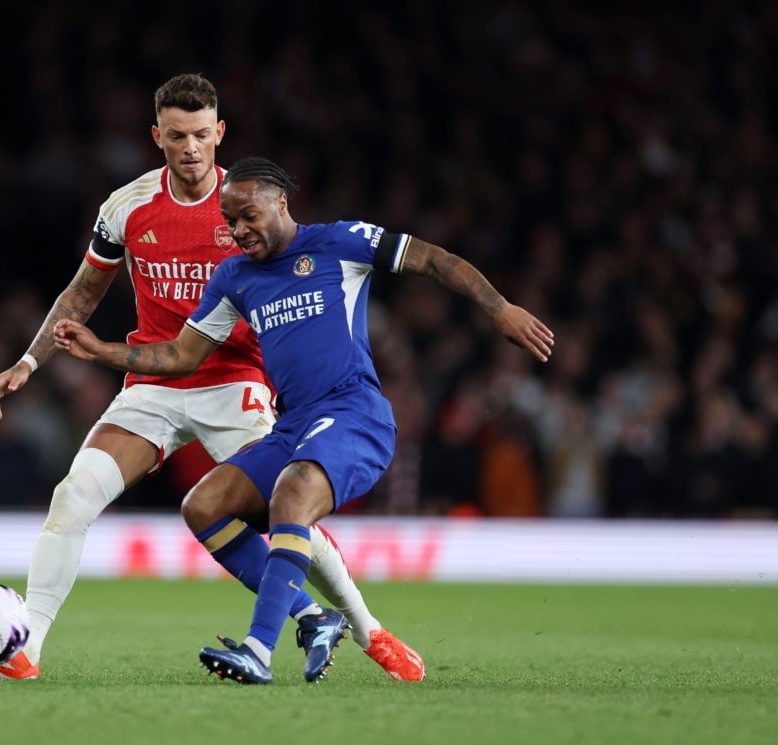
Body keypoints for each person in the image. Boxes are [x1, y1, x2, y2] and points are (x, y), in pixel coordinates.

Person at [0, 75, 424, 683]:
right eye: (175, 136)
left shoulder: (248, 205)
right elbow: (82, 292)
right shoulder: (128, 207)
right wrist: (29, 361)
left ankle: (370, 632)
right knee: (72, 497)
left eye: (200, 135)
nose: (189, 148)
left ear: (218, 134)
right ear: (156, 137)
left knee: (288, 506)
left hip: (236, 382)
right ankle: (26, 646)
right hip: (154, 385)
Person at [53, 156, 555, 684]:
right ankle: (318, 618)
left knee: (291, 493)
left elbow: (434, 260)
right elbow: (181, 356)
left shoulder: (340, 242)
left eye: (248, 216)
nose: (239, 230)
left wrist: (500, 308)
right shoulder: (235, 277)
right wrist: (101, 351)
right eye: (230, 222)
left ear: (280, 203)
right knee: (204, 506)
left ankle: (258, 650)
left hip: (353, 413)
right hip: (294, 425)